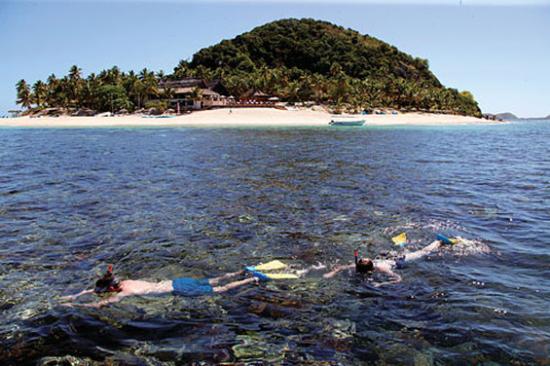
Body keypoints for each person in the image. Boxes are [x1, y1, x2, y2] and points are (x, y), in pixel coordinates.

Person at [61, 264, 259, 308]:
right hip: (179, 281)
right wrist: (76, 295)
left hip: (180, 290)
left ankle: (252, 280)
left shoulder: (124, 293)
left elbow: (99, 305)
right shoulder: (124, 282)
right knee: (214, 280)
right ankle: (241, 272)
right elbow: (96, 290)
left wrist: (75, 305)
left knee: (221, 289)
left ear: (111, 289)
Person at [322, 238, 451, 286]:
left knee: (419, 252)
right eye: (365, 259)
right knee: (419, 252)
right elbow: (398, 279)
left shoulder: (376, 268)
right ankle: (437, 242)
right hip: (396, 260)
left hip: (394, 259)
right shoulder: (379, 268)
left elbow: (341, 267)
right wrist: (383, 284)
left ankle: (437, 242)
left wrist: (331, 274)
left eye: (362, 258)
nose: (364, 257)